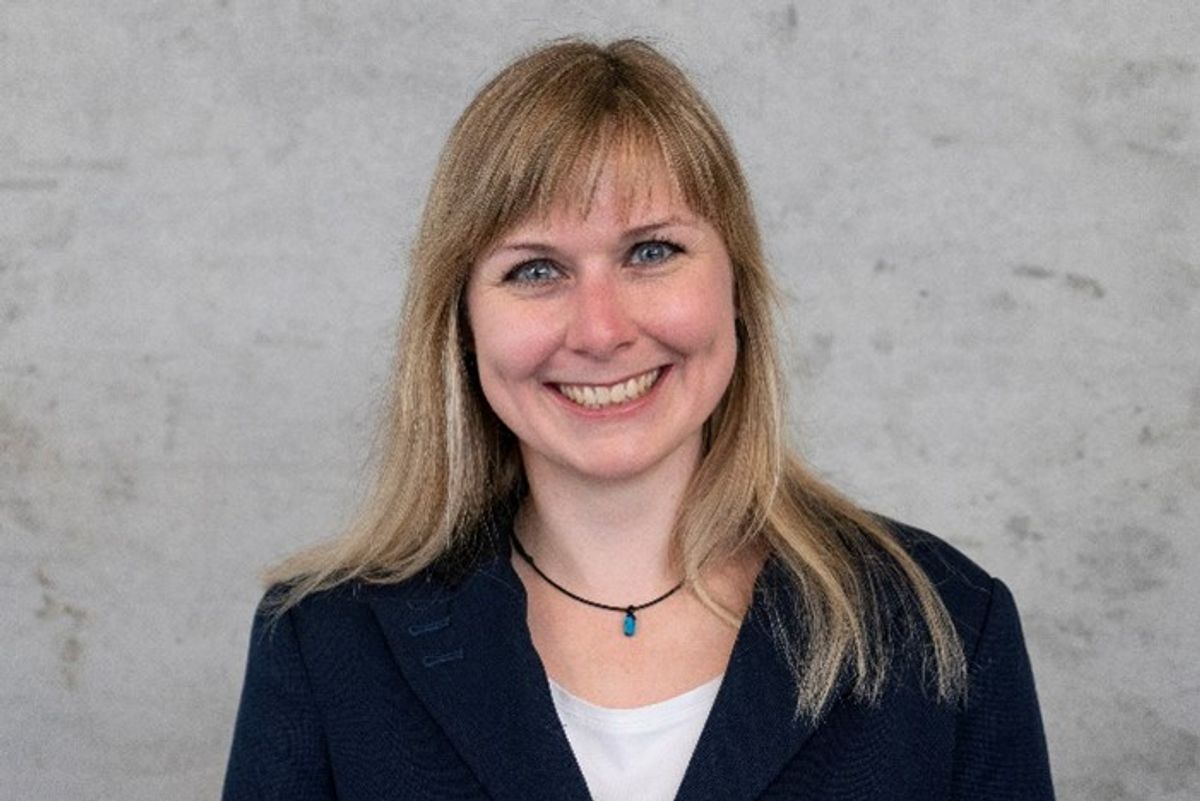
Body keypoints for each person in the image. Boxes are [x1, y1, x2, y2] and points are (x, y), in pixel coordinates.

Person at [222, 38, 1054, 801]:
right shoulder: (325, 644)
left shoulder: (941, 625)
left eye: (651, 251)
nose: (601, 329)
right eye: (536, 269)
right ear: (463, 320)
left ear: (736, 286)